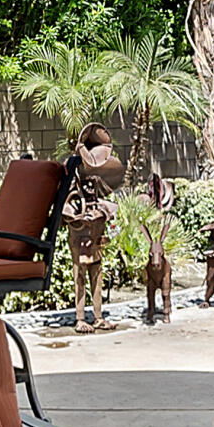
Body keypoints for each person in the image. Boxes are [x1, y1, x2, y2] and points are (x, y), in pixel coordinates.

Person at [63, 124, 125, 331]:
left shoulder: (98, 178)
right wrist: (77, 213)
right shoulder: (72, 174)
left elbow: (108, 190)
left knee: (97, 275)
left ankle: (98, 316)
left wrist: (102, 212)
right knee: (79, 275)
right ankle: (80, 318)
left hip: (96, 232)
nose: (90, 186)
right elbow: (64, 204)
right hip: (79, 233)